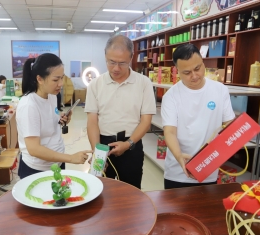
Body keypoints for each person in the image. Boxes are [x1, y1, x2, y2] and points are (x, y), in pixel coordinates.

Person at [85, 35, 156, 189]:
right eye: (111, 62)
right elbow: (92, 122)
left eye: (122, 63)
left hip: (132, 144)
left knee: (132, 192)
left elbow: (146, 121)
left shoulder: (144, 83)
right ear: (105, 55)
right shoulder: (95, 85)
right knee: (101, 191)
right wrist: (97, 153)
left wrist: (128, 144)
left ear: (131, 57)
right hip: (103, 145)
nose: (116, 68)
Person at [161, 43, 235, 189]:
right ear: (177, 71)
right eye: (187, 72)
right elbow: (169, 132)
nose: (195, 76)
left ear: (203, 62)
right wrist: (180, 156)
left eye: (197, 68)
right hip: (178, 172)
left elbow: (230, 126)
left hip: (208, 170)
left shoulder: (220, 90)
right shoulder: (171, 96)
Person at [16, 53, 92, 179]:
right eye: (56, 80)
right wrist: (71, 158)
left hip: (57, 161)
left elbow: (49, 122)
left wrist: (62, 119)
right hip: (37, 169)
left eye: (62, 78)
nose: (61, 83)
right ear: (39, 79)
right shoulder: (29, 105)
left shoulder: (51, 96)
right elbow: (34, 149)